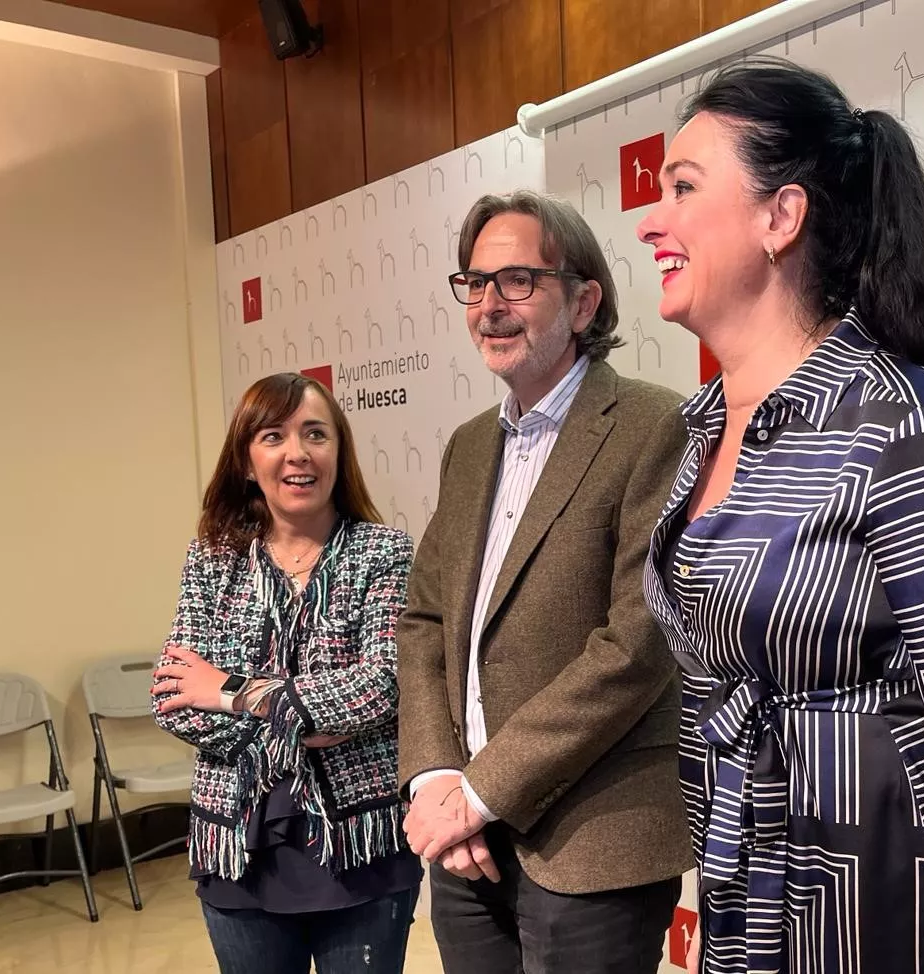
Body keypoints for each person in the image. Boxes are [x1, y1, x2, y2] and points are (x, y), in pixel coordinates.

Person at [634, 57, 924, 974]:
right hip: (745, 895)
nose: (652, 221)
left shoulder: (906, 428)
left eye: (683, 187)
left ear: (781, 216)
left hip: (888, 907)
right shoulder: (699, 433)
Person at [396, 189, 692, 974]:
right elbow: (424, 622)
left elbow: (637, 642)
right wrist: (434, 779)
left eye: (517, 281)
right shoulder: (467, 447)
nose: (489, 305)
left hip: (594, 840)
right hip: (464, 840)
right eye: (474, 284)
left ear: (585, 300)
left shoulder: (654, 425)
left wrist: (481, 790)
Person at [151, 372, 421, 974]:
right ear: (248, 462)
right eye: (274, 435)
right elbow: (174, 697)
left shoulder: (385, 552)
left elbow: (379, 690)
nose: (297, 453)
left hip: (362, 850)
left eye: (315, 434)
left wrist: (229, 691)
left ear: (338, 452)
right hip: (237, 849)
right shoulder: (212, 559)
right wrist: (310, 714)